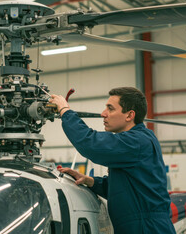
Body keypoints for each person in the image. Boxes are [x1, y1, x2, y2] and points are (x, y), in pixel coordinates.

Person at [50, 87, 176, 234]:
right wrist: (90, 181)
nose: (103, 114)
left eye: (110, 109)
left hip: (146, 229)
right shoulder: (140, 140)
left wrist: (65, 111)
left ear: (129, 115)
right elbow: (127, 190)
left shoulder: (136, 142)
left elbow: (91, 144)